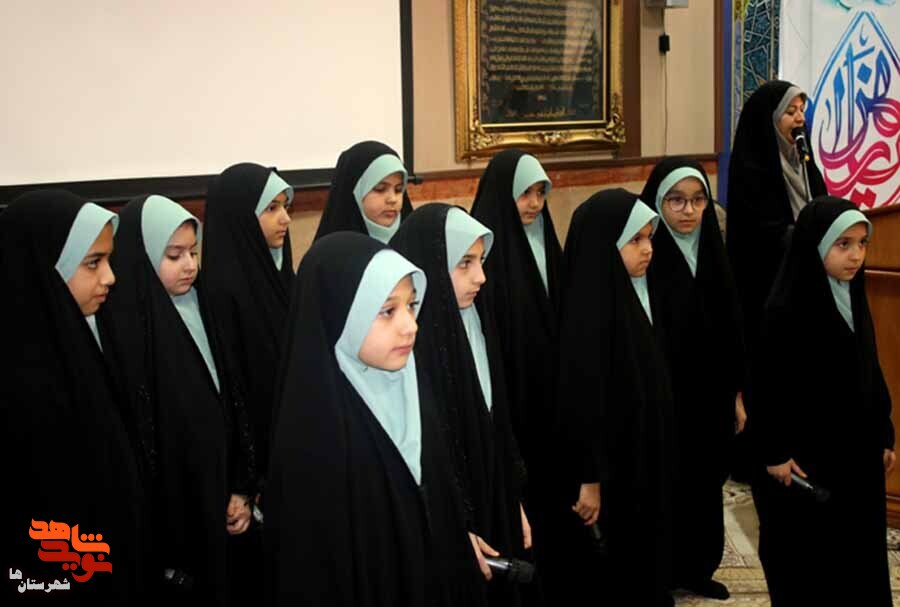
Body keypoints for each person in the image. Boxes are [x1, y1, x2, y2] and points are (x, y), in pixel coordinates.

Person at [265, 232, 486, 607]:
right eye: (387, 311)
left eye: (411, 305)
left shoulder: (412, 388)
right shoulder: (313, 434)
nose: (410, 326)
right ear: (340, 314)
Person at [97, 195, 254, 604]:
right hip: (173, 515)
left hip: (223, 493)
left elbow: (232, 400)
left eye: (193, 252)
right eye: (173, 255)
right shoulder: (124, 327)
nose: (189, 265)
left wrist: (239, 487)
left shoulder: (206, 305)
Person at [0, 190, 147, 603]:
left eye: (108, 260)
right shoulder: (18, 380)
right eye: (93, 263)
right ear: (44, 266)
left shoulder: (84, 341)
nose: (110, 277)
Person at [751, 196, 894, 606]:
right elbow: (767, 386)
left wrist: (884, 433)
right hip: (809, 461)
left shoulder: (852, 294)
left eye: (862, 244)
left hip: (856, 457)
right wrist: (775, 452)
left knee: (858, 559)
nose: (856, 256)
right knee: (812, 563)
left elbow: (870, 370)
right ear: (814, 244)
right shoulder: (784, 308)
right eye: (843, 244)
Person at [391, 203, 535, 606]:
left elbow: (496, 424)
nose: (481, 276)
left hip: (493, 499)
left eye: (481, 261)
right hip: (449, 520)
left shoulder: (477, 320)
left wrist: (511, 499)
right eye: (465, 263)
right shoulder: (406, 347)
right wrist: (458, 523)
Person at [549, 188, 675, 607]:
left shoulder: (634, 297)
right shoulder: (587, 315)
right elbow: (582, 406)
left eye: (649, 238)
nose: (648, 249)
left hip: (640, 462)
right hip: (611, 473)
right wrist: (590, 479)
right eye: (635, 240)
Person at [640, 157, 745, 600]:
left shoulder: (713, 250)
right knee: (667, 484)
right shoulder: (645, 252)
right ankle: (662, 572)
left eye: (698, 200)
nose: (689, 211)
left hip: (710, 395)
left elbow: (731, 327)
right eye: (676, 201)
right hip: (665, 394)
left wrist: (736, 394)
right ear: (657, 203)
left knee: (705, 483)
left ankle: (699, 567)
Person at [469, 150, 563, 541]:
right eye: (525, 193)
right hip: (510, 388)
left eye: (541, 193)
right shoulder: (482, 253)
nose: (535, 203)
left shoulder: (545, 240)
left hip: (548, 389)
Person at [314, 140, 413, 243]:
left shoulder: (415, 243)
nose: (393, 199)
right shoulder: (333, 250)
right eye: (380, 189)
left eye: (398, 189)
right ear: (355, 194)